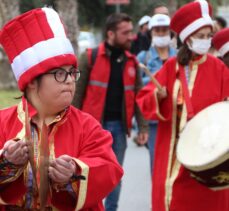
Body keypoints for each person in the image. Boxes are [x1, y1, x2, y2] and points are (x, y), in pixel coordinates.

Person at [0, 7, 123, 211]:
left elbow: (109, 168)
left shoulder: (87, 125)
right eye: (59, 74)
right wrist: (7, 164)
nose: (69, 81)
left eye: (72, 73)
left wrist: (73, 172)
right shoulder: (3, 122)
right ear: (31, 81)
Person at [136, 1, 229, 211]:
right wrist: (157, 96)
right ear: (187, 39)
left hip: (207, 155)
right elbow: (143, 98)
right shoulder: (171, 67)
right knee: (173, 199)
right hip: (172, 153)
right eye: (201, 36)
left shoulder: (220, 69)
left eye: (208, 36)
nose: (206, 41)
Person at [72, 13, 148, 211]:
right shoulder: (90, 57)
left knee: (114, 175)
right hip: (91, 129)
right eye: (126, 32)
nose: (131, 36)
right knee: (85, 174)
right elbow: (77, 93)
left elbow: (140, 97)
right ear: (111, 34)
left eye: (131, 31)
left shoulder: (131, 61)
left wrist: (143, 127)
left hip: (119, 129)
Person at [137, 14, 176, 172]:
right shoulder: (142, 58)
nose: (161, 34)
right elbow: (138, 90)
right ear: (151, 33)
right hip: (155, 123)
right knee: (158, 166)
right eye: (157, 30)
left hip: (178, 118)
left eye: (164, 30)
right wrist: (155, 90)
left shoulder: (181, 56)